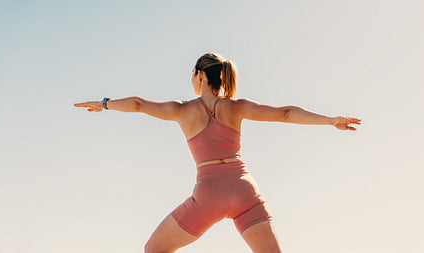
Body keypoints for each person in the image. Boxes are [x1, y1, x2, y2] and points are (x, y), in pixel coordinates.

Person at [74, 52, 361, 253]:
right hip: (243, 189)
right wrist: (330, 120)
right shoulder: (235, 107)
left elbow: (137, 104)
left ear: (199, 75)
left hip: (209, 192)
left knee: (155, 249)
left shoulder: (183, 110)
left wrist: (105, 103)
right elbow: (285, 113)